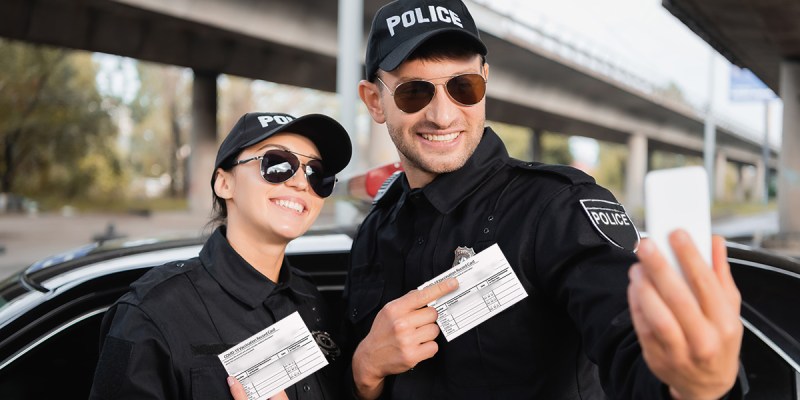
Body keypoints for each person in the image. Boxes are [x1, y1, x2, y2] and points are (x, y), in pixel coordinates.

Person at [342, 0, 745, 399]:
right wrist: (363, 370)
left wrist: (693, 385)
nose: (443, 116)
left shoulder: (558, 208)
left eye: (464, 87)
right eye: (414, 93)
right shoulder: (374, 230)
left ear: (485, 81)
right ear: (375, 101)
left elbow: (629, 339)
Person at [89, 111, 352, 400]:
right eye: (277, 164)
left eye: (316, 173)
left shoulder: (312, 299)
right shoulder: (151, 313)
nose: (302, 183)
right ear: (224, 183)